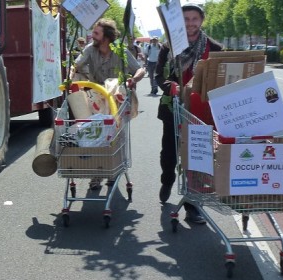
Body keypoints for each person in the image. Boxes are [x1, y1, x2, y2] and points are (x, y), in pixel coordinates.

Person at [155, 3, 223, 224]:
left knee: (198, 156)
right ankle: (167, 180)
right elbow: (159, 75)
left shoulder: (214, 48)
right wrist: (170, 86)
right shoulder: (170, 47)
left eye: (195, 19)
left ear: (201, 21)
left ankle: (193, 205)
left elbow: (221, 77)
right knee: (170, 152)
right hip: (173, 108)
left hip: (201, 112)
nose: (190, 23)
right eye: (186, 19)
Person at [69, 18, 146, 190]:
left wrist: (133, 80)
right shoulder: (90, 49)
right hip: (97, 98)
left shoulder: (121, 51)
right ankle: (96, 176)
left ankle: (114, 171)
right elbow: (76, 64)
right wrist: (70, 74)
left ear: (107, 37)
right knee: (96, 135)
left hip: (118, 99)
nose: (92, 36)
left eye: (96, 33)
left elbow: (140, 69)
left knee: (116, 137)